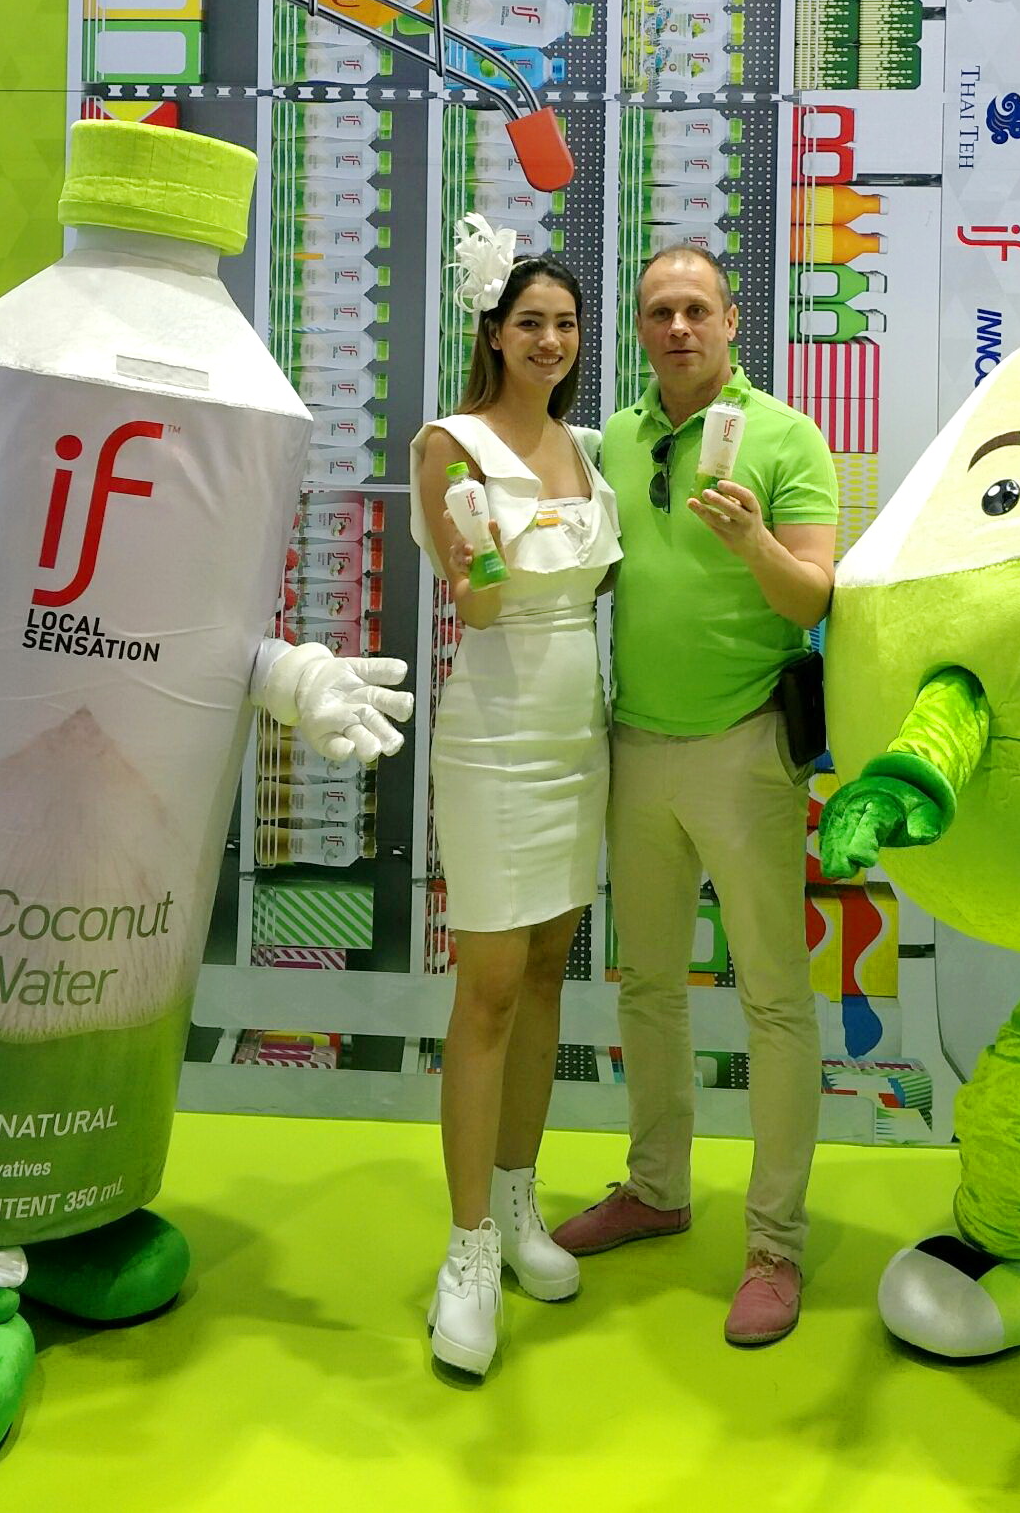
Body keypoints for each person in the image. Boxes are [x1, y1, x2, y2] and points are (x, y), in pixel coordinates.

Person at [554, 243, 837, 1348]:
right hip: (635, 744)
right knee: (647, 986)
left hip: (746, 748)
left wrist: (753, 539)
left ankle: (774, 1246)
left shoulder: (788, 437)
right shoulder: (618, 439)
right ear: (639, 329)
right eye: (658, 312)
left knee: (774, 1002)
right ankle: (657, 1190)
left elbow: (812, 598)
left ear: (730, 320)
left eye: (695, 310)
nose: (677, 328)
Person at [410, 216, 621, 1377]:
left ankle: (519, 1197)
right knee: (488, 990)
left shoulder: (588, 449)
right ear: (492, 332)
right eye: (530, 322)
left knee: (547, 973)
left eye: (566, 324)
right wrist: (481, 552)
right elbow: (481, 610)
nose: (550, 340)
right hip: (493, 744)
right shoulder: (450, 446)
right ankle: (467, 1248)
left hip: (579, 740)